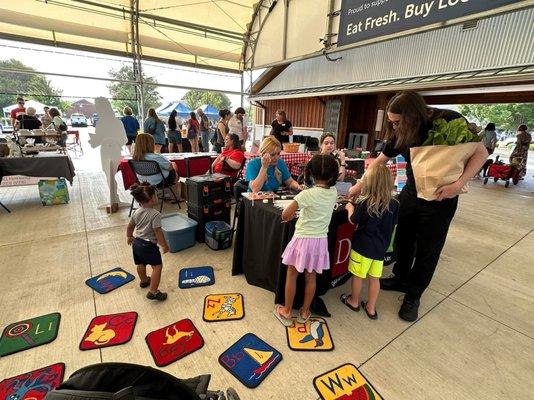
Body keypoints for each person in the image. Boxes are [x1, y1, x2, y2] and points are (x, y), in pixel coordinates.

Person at [348, 91, 487, 322]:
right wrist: (360, 184)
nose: (394, 127)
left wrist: (459, 184)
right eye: (391, 123)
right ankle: (401, 278)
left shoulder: (450, 120)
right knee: (403, 238)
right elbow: (380, 161)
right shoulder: (399, 134)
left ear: (413, 115)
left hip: (442, 197)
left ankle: (413, 296)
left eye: (397, 122)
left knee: (428, 250)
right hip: (411, 193)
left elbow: (480, 153)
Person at [273, 154, 339, 326]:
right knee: (311, 278)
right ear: (333, 174)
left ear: (310, 172)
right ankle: (305, 311)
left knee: (292, 274)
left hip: (302, 239)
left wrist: (294, 213)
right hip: (320, 242)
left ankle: (287, 312)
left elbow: (285, 214)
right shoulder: (333, 192)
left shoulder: (306, 195)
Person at [340, 164, 399, 320]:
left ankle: (354, 301)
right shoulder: (394, 204)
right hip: (380, 248)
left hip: (362, 247)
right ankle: (371, 308)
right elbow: (393, 224)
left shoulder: (366, 202)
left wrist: (349, 207)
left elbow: (353, 221)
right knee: (374, 278)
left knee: (358, 275)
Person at [126, 182, 169, 301]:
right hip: (148, 245)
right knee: (157, 267)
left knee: (140, 263)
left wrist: (129, 236)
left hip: (137, 243)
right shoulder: (155, 214)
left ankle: (144, 281)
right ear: (151, 199)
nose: (157, 197)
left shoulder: (136, 211)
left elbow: (130, 226)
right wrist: (164, 245)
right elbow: (157, 231)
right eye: (155, 195)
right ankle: (153, 292)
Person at [133, 133, 181, 200]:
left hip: (143, 181)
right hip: (159, 182)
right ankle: (175, 197)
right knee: (173, 166)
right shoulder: (156, 157)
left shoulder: (135, 158)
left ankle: (160, 194)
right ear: (150, 144)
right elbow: (170, 167)